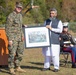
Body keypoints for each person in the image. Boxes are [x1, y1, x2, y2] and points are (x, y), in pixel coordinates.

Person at [5, 2, 26, 75]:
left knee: (20, 53)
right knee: (12, 53)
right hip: (13, 38)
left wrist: (22, 35)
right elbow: (7, 28)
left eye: (20, 8)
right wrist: (9, 39)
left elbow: (19, 26)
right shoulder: (10, 16)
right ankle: (11, 68)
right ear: (15, 7)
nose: (19, 9)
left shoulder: (20, 15)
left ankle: (18, 67)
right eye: (18, 7)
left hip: (20, 38)